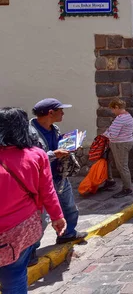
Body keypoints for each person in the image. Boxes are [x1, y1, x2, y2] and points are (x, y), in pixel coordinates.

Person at [0, 107, 66, 293]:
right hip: (20, 229)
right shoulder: (36, 155)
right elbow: (47, 191)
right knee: (14, 277)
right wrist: (57, 217)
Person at [29, 98, 86, 264]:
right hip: (42, 181)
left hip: (59, 176)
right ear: (50, 113)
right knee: (42, 219)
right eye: (61, 110)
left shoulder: (54, 128)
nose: (63, 113)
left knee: (69, 208)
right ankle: (30, 252)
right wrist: (54, 154)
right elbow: (32, 158)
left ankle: (68, 234)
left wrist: (70, 145)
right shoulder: (30, 133)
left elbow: (59, 143)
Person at [102, 99, 133, 199]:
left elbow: (113, 134)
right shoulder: (128, 116)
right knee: (121, 165)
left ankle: (127, 188)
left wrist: (105, 134)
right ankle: (113, 181)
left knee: (122, 166)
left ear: (116, 107)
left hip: (120, 144)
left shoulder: (120, 119)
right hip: (126, 142)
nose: (113, 112)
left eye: (113, 109)